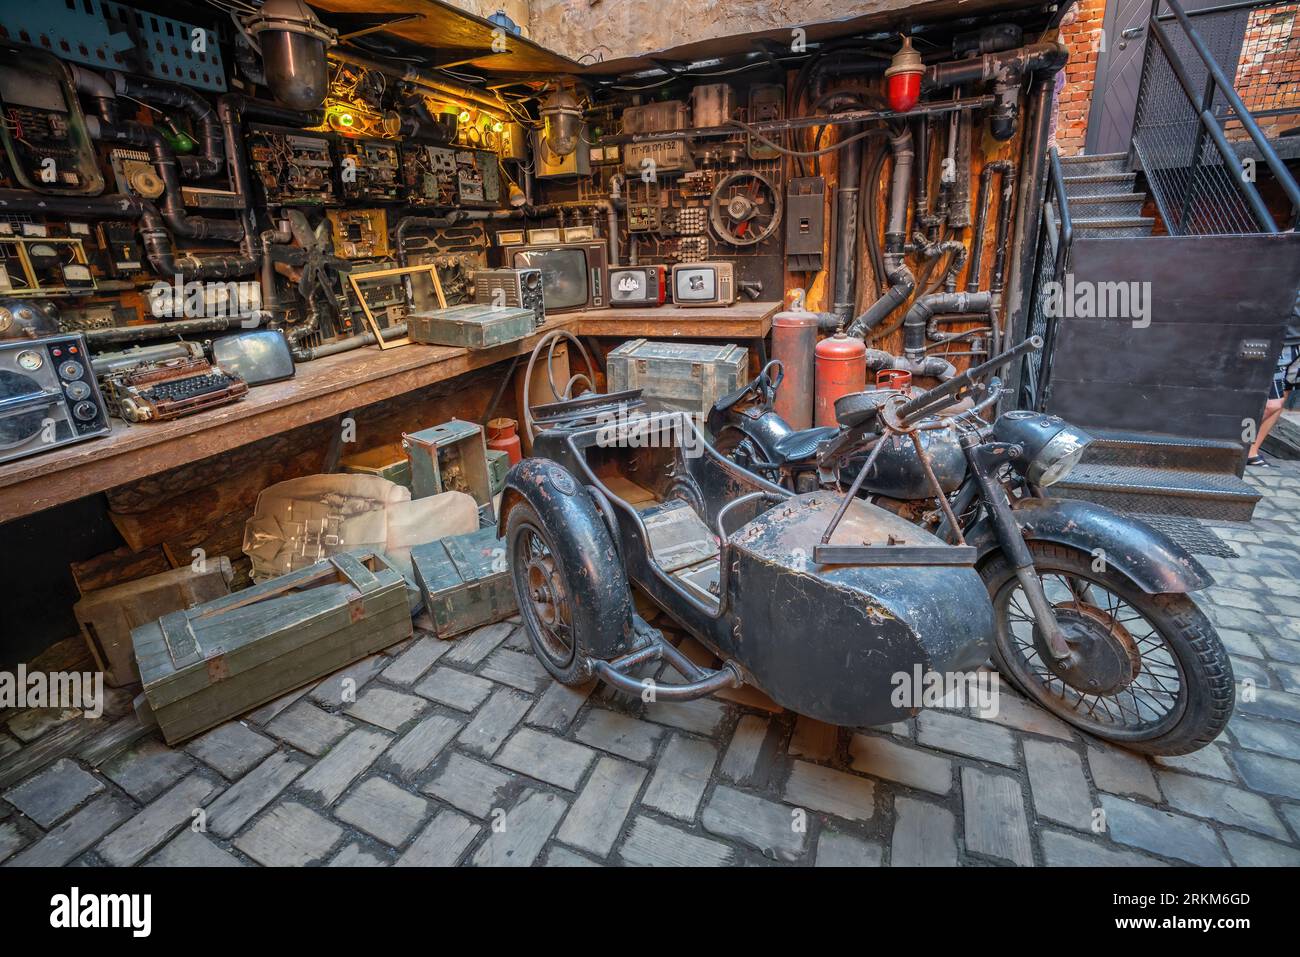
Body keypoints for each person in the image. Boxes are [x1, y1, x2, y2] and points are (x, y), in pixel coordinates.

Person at [1248, 292, 1300, 467]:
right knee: (1272, 404)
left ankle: (1251, 452)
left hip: (1297, 345)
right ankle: (1234, 445)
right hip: (1281, 340)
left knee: (1284, 395)